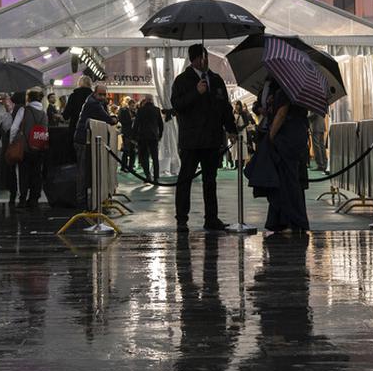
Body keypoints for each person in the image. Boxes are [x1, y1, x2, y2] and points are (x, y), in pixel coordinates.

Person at [171, 43, 237, 232]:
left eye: (206, 56)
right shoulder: (182, 80)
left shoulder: (216, 80)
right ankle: (182, 218)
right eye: (202, 57)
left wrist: (230, 129)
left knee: (210, 180)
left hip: (211, 139)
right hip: (191, 140)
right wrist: (196, 93)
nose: (205, 60)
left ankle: (211, 218)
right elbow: (177, 105)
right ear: (194, 60)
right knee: (185, 180)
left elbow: (225, 107)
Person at [249, 78, 311, 234]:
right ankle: (284, 220)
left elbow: (282, 113)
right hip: (297, 136)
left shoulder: (286, 89)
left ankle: (293, 220)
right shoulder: (298, 87)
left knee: (287, 180)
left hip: (286, 138)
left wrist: (270, 136)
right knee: (289, 179)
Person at [73, 83, 116, 210]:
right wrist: (113, 119)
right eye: (100, 94)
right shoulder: (93, 104)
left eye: (104, 95)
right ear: (94, 93)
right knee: (83, 171)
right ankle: (81, 201)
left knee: (85, 171)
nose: (102, 97)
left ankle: (84, 200)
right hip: (82, 141)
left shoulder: (93, 102)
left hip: (84, 140)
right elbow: (108, 119)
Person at [12, 87, 49, 207]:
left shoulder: (24, 110)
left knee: (23, 174)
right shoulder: (44, 113)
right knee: (36, 174)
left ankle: (22, 199)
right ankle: (34, 199)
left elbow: (14, 128)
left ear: (28, 98)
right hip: (39, 147)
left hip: (25, 148)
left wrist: (12, 142)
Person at [133, 96, 164, 181]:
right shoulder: (157, 110)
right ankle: (156, 177)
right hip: (153, 136)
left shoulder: (140, 110)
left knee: (144, 157)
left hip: (142, 136)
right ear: (152, 100)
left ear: (145, 101)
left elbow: (136, 124)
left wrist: (134, 136)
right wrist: (160, 135)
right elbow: (160, 124)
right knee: (155, 157)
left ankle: (148, 175)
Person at [117, 97, 137, 172]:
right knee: (126, 150)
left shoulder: (135, 112)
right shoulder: (123, 110)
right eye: (132, 105)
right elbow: (121, 120)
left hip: (133, 134)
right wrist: (130, 120)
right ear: (129, 105)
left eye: (134, 105)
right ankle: (123, 167)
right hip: (126, 133)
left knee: (133, 151)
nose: (133, 107)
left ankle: (131, 167)